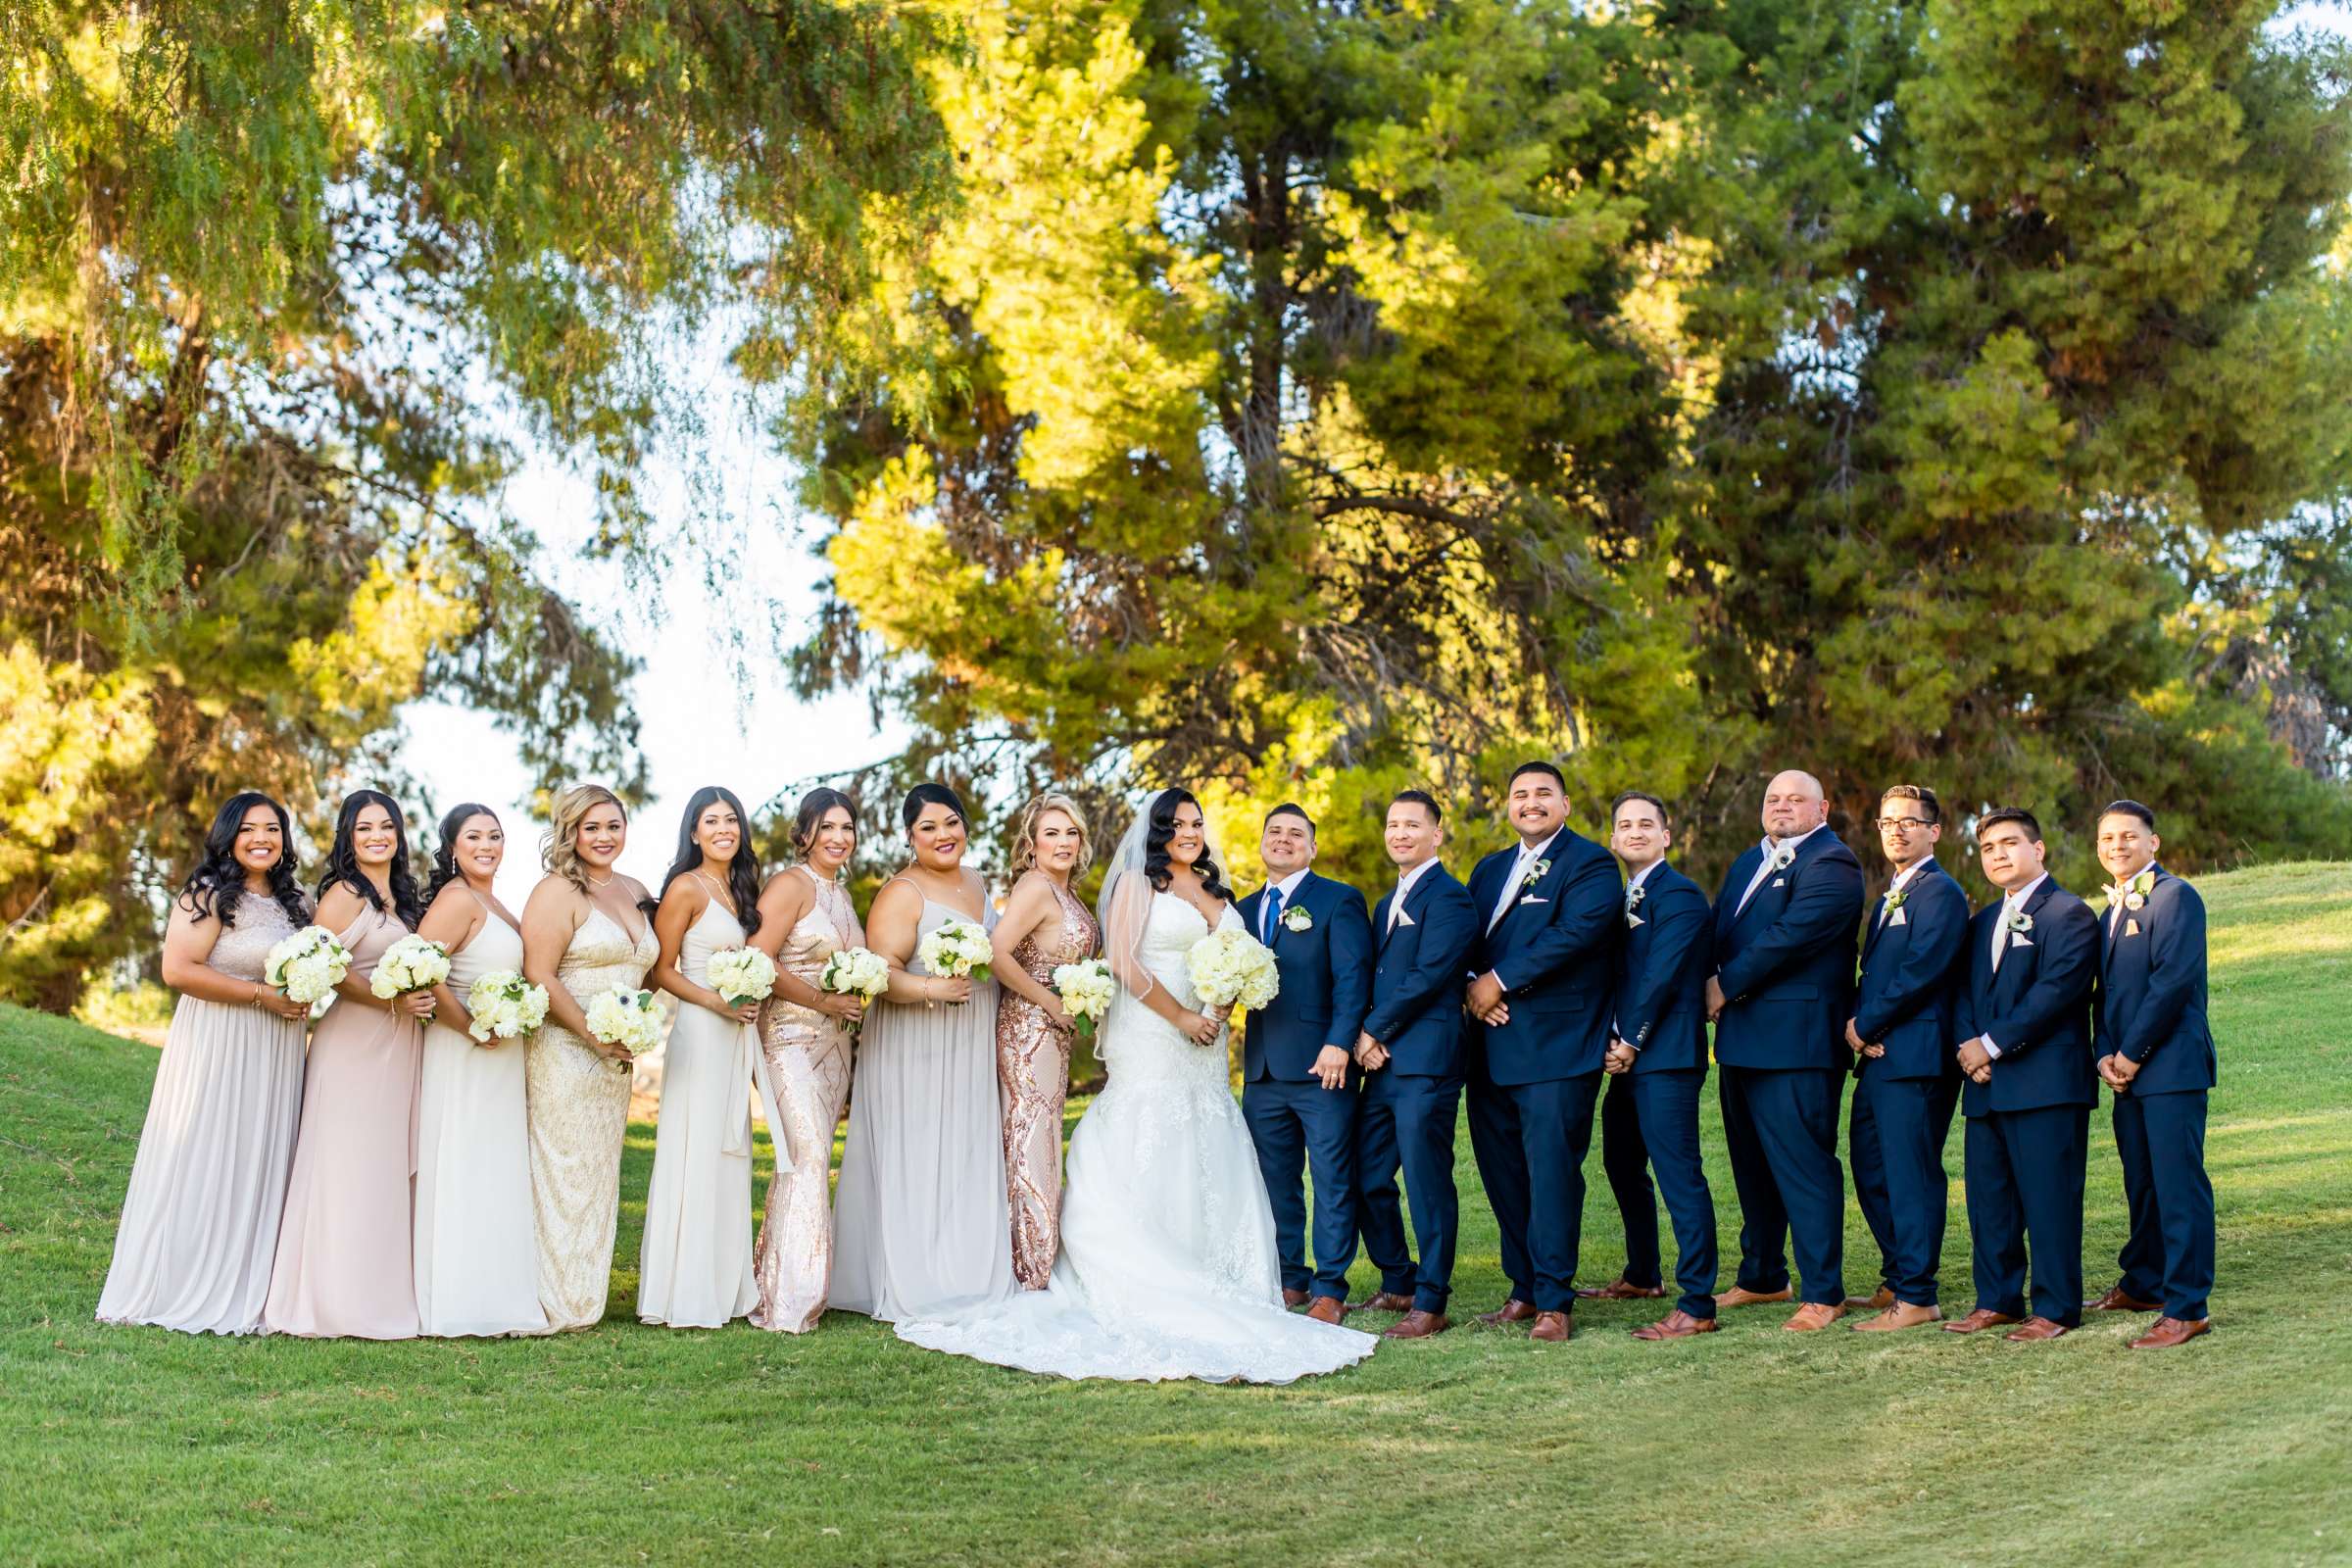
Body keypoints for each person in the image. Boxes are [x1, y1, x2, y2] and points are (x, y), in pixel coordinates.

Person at [890, 787, 1378, 1382]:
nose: (1189, 832)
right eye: (1176, 824)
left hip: (1206, 1040)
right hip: (1155, 1030)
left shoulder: (1216, 887)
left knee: (1208, 1139)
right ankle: (1130, 1266)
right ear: (1156, 831)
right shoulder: (1134, 885)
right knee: (1146, 1130)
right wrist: (1181, 1017)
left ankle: (1221, 1270)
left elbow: (1235, 955)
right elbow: (1123, 961)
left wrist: (1222, 1002)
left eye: (1197, 823)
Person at [97, 793, 313, 1336]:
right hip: (220, 1041)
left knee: (259, 1154)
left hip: (277, 1048)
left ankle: (248, 1281)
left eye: (272, 829)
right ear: (228, 836)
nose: (262, 839)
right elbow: (178, 970)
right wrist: (261, 995)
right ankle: (183, 1279)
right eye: (249, 830)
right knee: (208, 1152)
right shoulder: (209, 893)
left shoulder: (296, 903)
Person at [831, 783, 1015, 1320]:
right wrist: (934, 989)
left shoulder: (979, 884)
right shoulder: (902, 893)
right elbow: (881, 972)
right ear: (910, 837)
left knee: (963, 1149)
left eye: (951, 823)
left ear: (965, 826)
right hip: (917, 1040)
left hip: (970, 1036)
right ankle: (917, 1274)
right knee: (919, 1149)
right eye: (928, 828)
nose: (943, 835)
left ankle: (963, 1268)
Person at [1462, 761, 1622, 1344]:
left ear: (1565, 804)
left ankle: (1556, 1299)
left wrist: (1498, 980)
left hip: (1558, 1048)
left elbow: (1576, 934)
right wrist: (1472, 986)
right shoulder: (1489, 869)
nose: (1530, 803)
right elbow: (1461, 939)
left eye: (1542, 794)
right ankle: (1524, 1288)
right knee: (1502, 1172)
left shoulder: (1591, 864)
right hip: (1491, 1044)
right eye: (1520, 794)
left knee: (1552, 1173)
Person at [265, 790, 430, 1340]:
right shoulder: (343, 892)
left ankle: (381, 1291)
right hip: (354, 1045)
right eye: (364, 829)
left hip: (400, 1043)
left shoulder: (402, 894)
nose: (377, 836)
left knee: (384, 1165)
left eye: (386, 826)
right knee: (347, 1165)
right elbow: (325, 966)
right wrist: (392, 998)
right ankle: (332, 1299)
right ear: (348, 838)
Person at [1704, 769, 1866, 1331]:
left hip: (1797, 1043)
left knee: (1804, 1168)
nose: (1781, 807)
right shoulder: (1750, 861)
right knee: (1752, 1168)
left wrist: (1722, 986)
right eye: (1772, 798)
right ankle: (1763, 1277)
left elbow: (1789, 937)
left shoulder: (1832, 862)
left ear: (1822, 810)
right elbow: (1719, 931)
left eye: (1795, 800)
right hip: (1742, 1041)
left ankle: (1825, 1292)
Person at [1941, 808, 2099, 1342]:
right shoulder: (1981, 921)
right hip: (1984, 1085)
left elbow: (2055, 994)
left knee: (2049, 1200)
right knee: (1990, 1201)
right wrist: (1970, 1051)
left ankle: (2055, 1309)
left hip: (2045, 1085)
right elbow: (1963, 992)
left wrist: (1988, 1046)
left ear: (2039, 850)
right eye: (1988, 848)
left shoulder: (2070, 914)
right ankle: (1997, 1300)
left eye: (2010, 843)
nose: (1999, 855)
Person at [519, 784, 661, 1332]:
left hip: (615, 1055)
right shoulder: (556, 891)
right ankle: (550, 1296)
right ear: (570, 832)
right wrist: (592, 1034)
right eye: (591, 827)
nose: (604, 837)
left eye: (613, 826)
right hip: (563, 1050)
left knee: (600, 1172)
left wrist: (636, 1019)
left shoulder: (636, 889)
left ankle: (585, 1294)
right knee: (561, 1170)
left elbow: (648, 966)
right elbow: (539, 974)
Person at [1585, 792, 1720, 1343]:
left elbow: (1661, 976)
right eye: (1624, 825)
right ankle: (1643, 1274)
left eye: (1647, 824)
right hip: (1628, 1059)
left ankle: (1697, 1302)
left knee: (1678, 1175)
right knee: (1621, 1163)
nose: (1635, 832)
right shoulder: (1617, 898)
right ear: (1613, 840)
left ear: (1667, 836)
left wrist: (1630, 1041)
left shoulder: (1681, 895)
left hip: (1664, 1057)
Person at [1235, 804, 1374, 1322]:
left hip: (1324, 1067)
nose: (1284, 840)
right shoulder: (1243, 911)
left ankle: (1330, 1288)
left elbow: (1354, 977)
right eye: (1275, 832)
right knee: (1275, 1179)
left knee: (1333, 1178)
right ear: (1262, 842)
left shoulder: (1338, 900)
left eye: (1296, 834)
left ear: (1313, 847)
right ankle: (1290, 1278)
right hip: (1264, 1069)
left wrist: (1340, 1042)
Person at [2086, 800, 2217, 1349]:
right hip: (2126, 1070)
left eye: (2128, 836)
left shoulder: (2176, 897)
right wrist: (2103, 1053)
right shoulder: (2107, 911)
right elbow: (2103, 996)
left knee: (2178, 1186)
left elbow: (2172, 985)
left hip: (2170, 1068)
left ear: (2153, 843)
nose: (2117, 846)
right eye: (2107, 838)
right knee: (2141, 1183)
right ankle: (2144, 1283)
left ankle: (2187, 1307)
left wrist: (2132, 1054)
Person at [412, 803, 546, 1337]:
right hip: (464, 1051)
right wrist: (471, 1025)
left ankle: (497, 1290)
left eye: (495, 836)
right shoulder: (456, 900)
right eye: (474, 837)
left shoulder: (495, 902)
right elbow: (424, 974)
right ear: (451, 848)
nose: (487, 845)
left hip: (501, 1054)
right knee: (463, 1163)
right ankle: (456, 1296)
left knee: (494, 1165)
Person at [1349, 789, 1476, 1339]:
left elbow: (1429, 976)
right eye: (1393, 824)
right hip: (1382, 1066)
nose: (1400, 833)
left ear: (1436, 834)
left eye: (1412, 825)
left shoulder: (1451, 899)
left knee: (1426, 1180)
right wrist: (1370, 1039)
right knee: (1365, 1173)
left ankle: (1432, 1298)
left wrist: (1373, 1029)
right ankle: (1397, 1278)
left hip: (1426, 1062)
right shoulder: (1384, 903)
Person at [639, 786, 765, 1329]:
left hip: (737, 1032)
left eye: (731, 819)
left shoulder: (741, 888)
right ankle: (683, 1292)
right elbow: (660, 970)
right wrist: (716, 1000)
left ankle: (725, 1286)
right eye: (711, 820)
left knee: (728, 1151)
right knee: (694, 1150)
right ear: (693, 832)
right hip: (700, 1029)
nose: (723, 829)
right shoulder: (686, 889)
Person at [1843, 784, 1968, 1333]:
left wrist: (1864, 1025)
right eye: (1887, 821)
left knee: (1910, 1173)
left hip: (1917, 1058)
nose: (1896, 829)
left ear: (1934, 831)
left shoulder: (1940, 893)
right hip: (1879, 1058)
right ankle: (1898, 1277)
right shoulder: (1888, 894)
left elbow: (1922, 970)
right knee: (1871, 1167)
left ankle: (1918, 1295)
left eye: (1909, 821)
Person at [742, 788, 866, 1333]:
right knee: (806, 1155)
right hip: (789, 1039)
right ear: (806, 832)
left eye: (848, 828)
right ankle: (789, 1302)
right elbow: (757, 961)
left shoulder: (842, 895)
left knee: (815, 1159)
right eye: (828, 828)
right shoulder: (791, 884)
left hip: (834, 1042)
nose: (839, 838)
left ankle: (788, 1282)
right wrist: (821, 999)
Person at [990, 793, 1102, 1290]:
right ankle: (1027, 1271)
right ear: (1031, 845)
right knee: (1030, 1142)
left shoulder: (1068, 892)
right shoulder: (1036, 886)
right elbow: (996, 954)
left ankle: (1038, 1257)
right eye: (1051, 833)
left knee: (1043, 1139)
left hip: (1053, 1035)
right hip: (1028, 1033)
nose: (1062, 842)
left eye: (1070, 833)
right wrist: (1051, 1002)